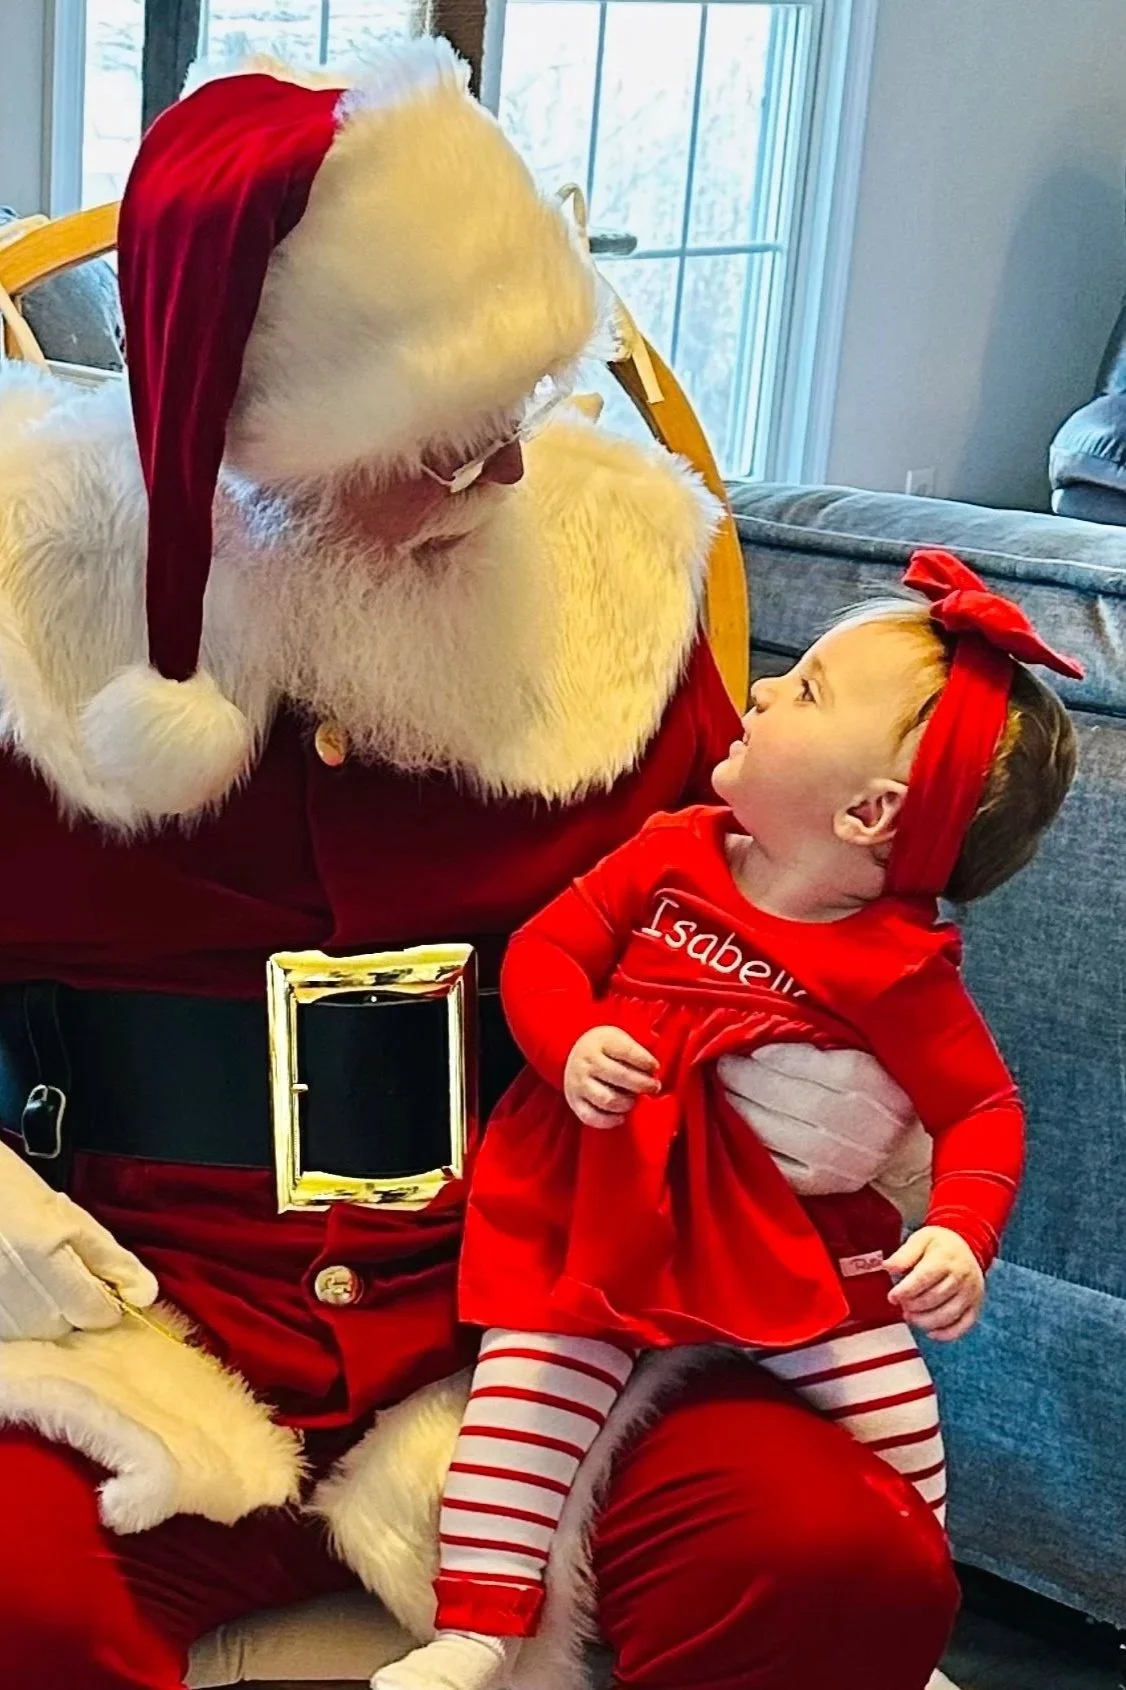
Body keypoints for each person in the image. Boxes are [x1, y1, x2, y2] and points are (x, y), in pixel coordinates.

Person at [0, 40, 960, 1690]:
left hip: (556, 1328)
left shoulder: (605, 576)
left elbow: (771, 908)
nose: (512, 474)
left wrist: (838, 1081)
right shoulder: (27, 602)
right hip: (138, 1333)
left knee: (835, 1562)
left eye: (516, 413)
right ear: (244, 446)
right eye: (449, 444)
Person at [373, 552, 1080, 1690]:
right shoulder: (675, 852)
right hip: (606, 1212)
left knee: (896, 1416)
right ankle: (478, 1629)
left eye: (803, 689)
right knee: (528, 1391)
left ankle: (905, 1646)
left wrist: (959, 1227)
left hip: (784, 1244)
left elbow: (983, 1107)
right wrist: (571, 1042)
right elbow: (547, 951)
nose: (759, 688)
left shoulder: (900, 970)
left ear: (867, 812)